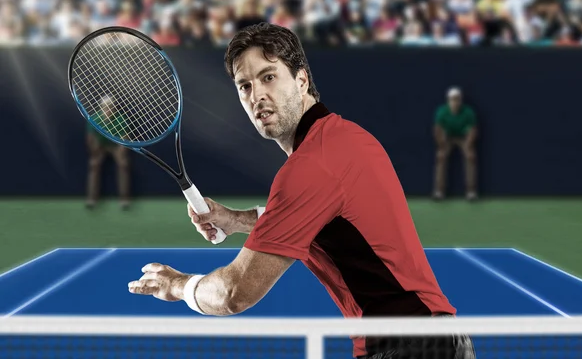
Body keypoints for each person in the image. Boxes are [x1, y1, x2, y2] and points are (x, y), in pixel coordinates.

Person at [128, 23, 476, 359]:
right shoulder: (343, 137)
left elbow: (234, 292)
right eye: (244, 86)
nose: (257, 95)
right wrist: (235, 219)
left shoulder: (313, 165)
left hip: (410, 347)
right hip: (433, 340)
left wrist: (178, 286)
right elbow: (331, 224)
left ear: (301, 79)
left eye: (268, 77)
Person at [433, 87, 478, 201]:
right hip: (447, 138)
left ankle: (471, 191)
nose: (455, 102)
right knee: (441, 156)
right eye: (452, 100)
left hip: (463, 138)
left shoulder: (468, 112)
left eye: (457, 99)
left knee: (470, 156)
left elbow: (472, 130)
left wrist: (468, 145)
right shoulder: (442, 112)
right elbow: (437, 130)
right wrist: (442, 145)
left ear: (460, 100)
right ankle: (439, 191)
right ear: (448, 101)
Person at [86, 96, 131, 209]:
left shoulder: (121, 119)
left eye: (111, 107)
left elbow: (124, 138)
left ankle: (124, 200)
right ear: (101, 108)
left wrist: (122, 150)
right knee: (94, 164)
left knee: (123, 164)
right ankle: (92, 199)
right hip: (101, 147)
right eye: (105, 107)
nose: (108, 110)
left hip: (115, 147)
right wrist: (95, 150)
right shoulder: (94, 118)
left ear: (114, 108)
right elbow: (90, 138)